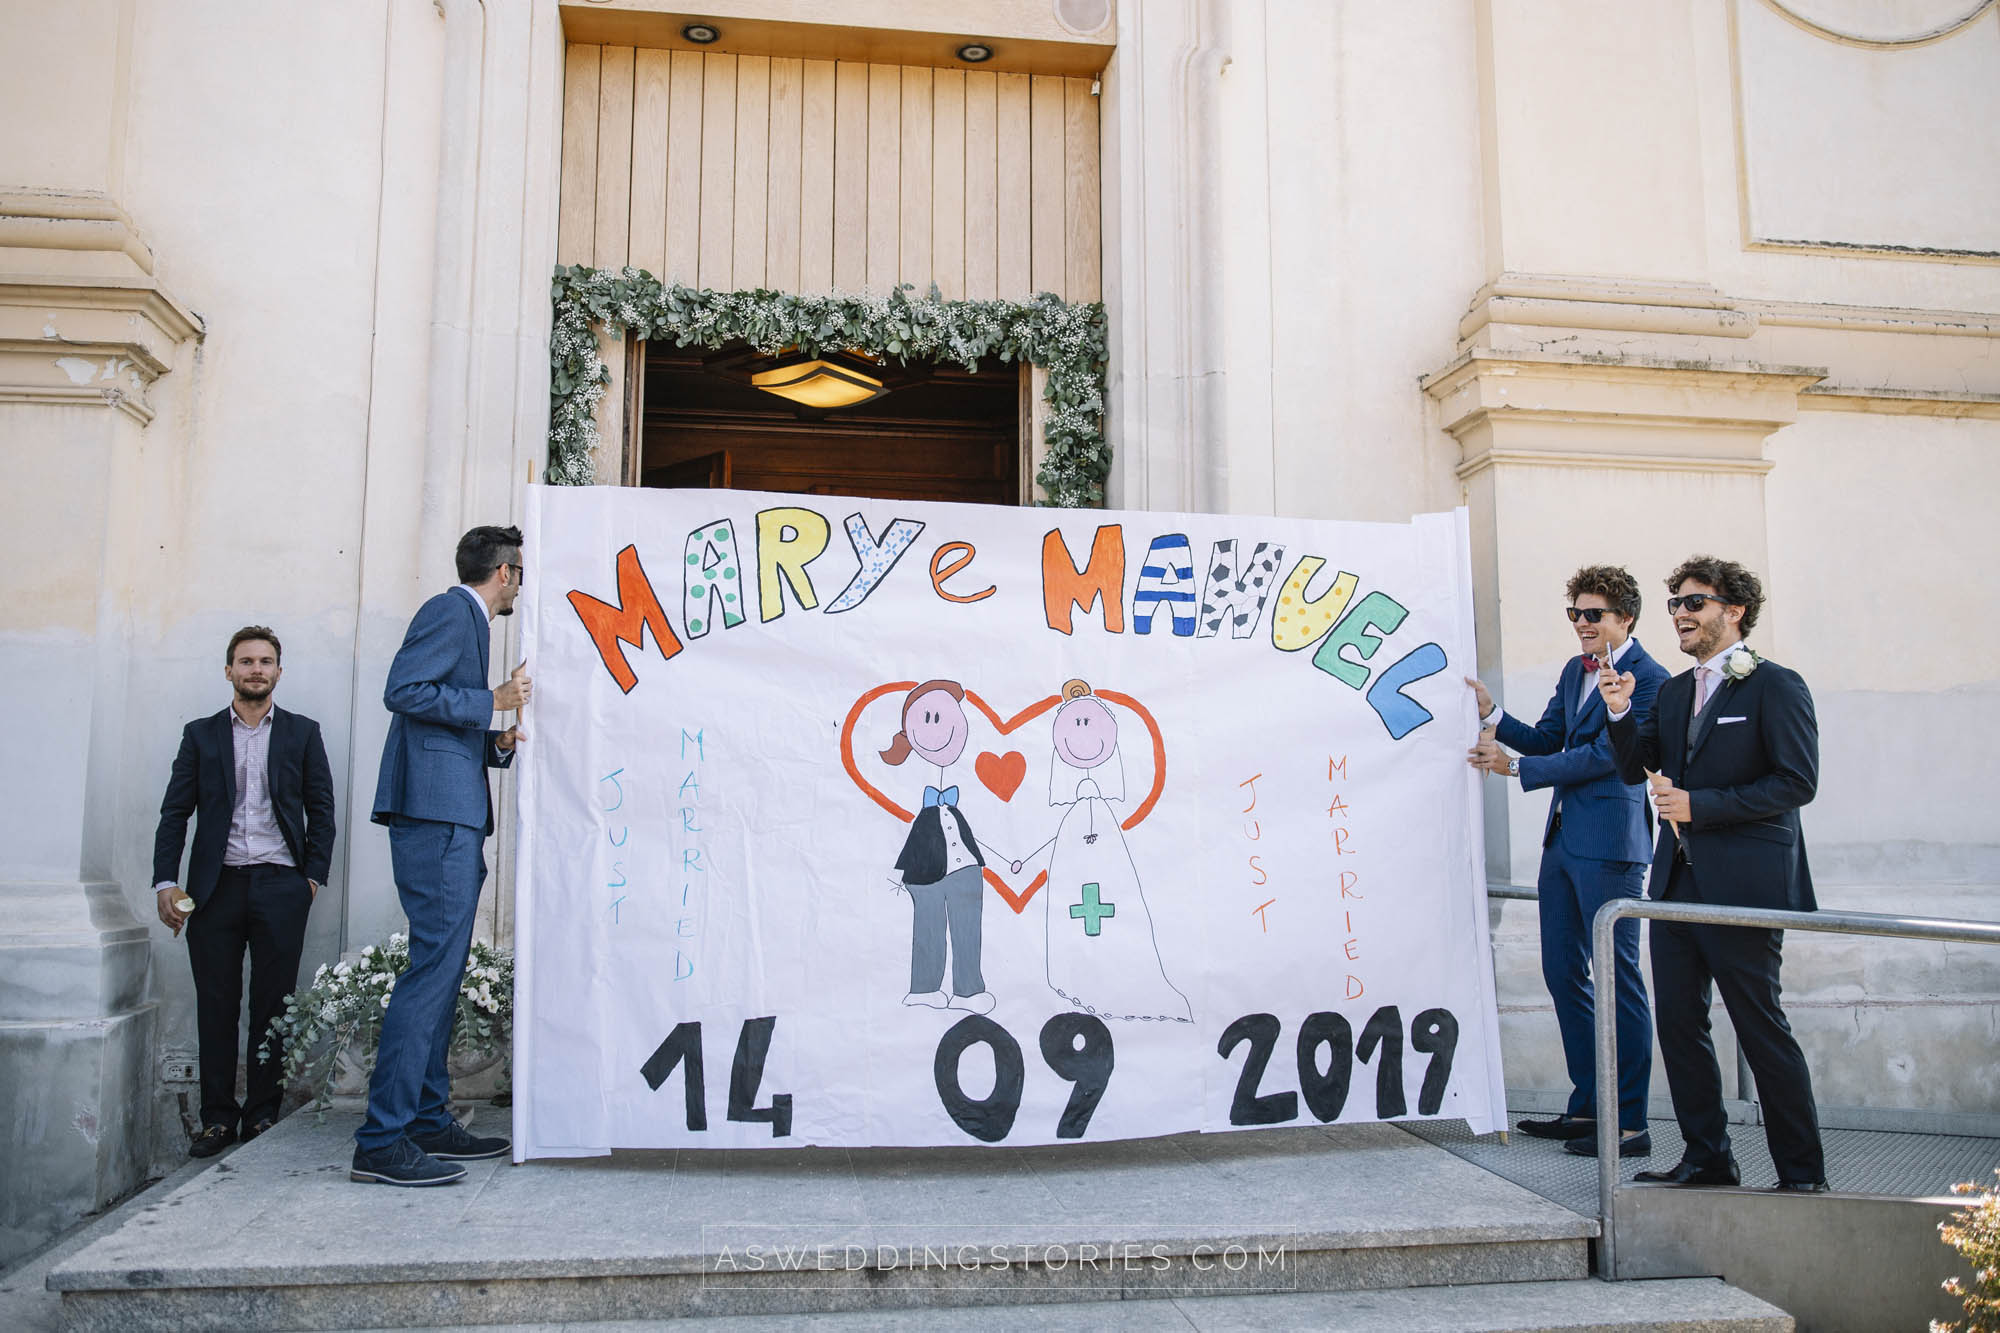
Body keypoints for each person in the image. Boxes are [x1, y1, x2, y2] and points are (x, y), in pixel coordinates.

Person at [1601, 555, 1827, 1192]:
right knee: (1678, 1022)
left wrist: (1702, 807)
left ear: (1735, 612)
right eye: (1675, 603)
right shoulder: (1673, 692)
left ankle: (1803, 1175)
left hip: (1744, 888)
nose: (1680, 613)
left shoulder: (1776, 686)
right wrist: (1618, 712)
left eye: (1693, 602)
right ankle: (1707, 1158)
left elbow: (1796, 782)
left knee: (1760, 1025)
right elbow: (1632, 767)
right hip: (1675, 884)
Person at [1466, 567, 1668, 1160]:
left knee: (1618, 979)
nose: (1582, 624)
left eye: (1593, 614)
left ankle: (1630, 1122)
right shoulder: (1571, 672)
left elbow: (1609, 756)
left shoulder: (1651, 679)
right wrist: (1494, 716)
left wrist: (1515, 770)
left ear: (1625, 619)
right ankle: (1589, 1105)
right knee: (1561, 973)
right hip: (1561, 845)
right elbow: (1552, 738)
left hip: (1612, 846)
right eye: (1575, 614)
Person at [351, 525, 529, 1186]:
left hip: (448, 810)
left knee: (443, 973)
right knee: (430, 973)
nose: (521, 584)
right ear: (506, 571)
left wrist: (496, 739)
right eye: (522, 573)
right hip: (435, 819)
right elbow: (404, 690)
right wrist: (491, 700)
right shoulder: (452, 610)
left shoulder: (467, 619)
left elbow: (437, 724)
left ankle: (425, 1117)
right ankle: (382, 1137)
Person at [153, 626, 335, 1158]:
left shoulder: (302, 733)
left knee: (272, 1006)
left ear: (279, 671)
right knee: (216, 1004)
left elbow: (321, 809)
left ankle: (261, 1117)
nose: (256, 669)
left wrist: (311, 878)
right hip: (216, 888)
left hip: (282, 884)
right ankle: (216, 1119)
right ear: (228, 669)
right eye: (246, 661)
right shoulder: (201, 734)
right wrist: (167, 880)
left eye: (266, 661)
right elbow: (175, 812)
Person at [1012, 680, 1191, 1023]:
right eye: (1076, 724)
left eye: (1088, 723)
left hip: (1106, 867)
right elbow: (1056, 843)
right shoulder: (1073, 815)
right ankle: (1074, 979)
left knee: (1117, 906)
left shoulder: (1105, 816)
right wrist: (1030, 860)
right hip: (1074, 867)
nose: (1081, 732)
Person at [881, 678, 1004, 1015]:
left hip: (966, 869)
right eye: (927, 717)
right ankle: (924, 988)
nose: (937, 723)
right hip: (925, 873)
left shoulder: (964, 776)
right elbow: (909, 832)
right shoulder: (913, 780)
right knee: (928, 929)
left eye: (945, 715)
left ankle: (969, 990)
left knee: (968, 928)